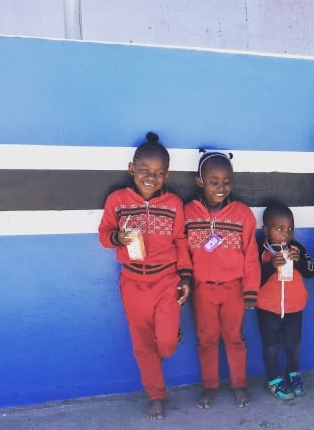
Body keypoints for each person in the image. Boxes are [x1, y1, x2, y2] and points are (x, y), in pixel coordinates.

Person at [98, 132, 192, 420]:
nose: (151, 177)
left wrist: (186, 277)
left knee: (165, 343)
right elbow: (104, 236)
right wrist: (118, 237)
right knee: (142, 343)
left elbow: (181, 241)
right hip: (133, 281)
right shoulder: (117, 201)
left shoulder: (174, 204)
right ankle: (156, 395)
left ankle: (169, 336)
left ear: (167, 175)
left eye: (158, 173)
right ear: (131, 170)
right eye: (144, 171)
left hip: (166, 280)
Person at [183, 151, 259, 410]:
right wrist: (184, 280)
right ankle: (210, 386)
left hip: (234, 289)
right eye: (213, 180)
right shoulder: (188, 213)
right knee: (206, 339)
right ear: (200, 181)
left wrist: (250, 289)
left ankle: (239, 384)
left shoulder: (242, 214)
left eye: (226, 180)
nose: (221, 186)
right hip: (202, 289)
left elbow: (251, 254)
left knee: (234, 337)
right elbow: (181, 250)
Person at [256, 203, 314, 400]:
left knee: (293, 344)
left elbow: (312, 271)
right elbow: (252, 279)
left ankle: (294, 374)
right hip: (267, 309)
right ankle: (274, 379)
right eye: (279, 229)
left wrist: (299, 262)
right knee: (271, 346)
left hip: (293, 308)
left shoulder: (296, 248)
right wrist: (270, 266)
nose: (285, 234)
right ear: (266, 229)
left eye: (290, 229)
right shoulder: (260, 251)